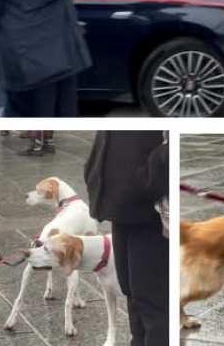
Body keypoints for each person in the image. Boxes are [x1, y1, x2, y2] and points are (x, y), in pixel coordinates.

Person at [84, 131, 168, 346]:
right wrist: (95, 170)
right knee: (133, 293)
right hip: (121, 204)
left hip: (151, 209)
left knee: (154, 303)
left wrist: (150, 175)